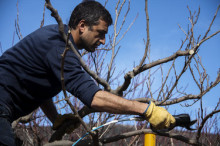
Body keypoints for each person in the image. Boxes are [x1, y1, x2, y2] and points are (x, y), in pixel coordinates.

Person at [0, 1, 175, 145]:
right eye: (100, 33)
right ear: (82, 25)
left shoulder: (59, 42)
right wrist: (146, 110)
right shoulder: (60, 46)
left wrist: (55, 119)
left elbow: (38, 88)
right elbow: (93, 97)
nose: (104, 41)